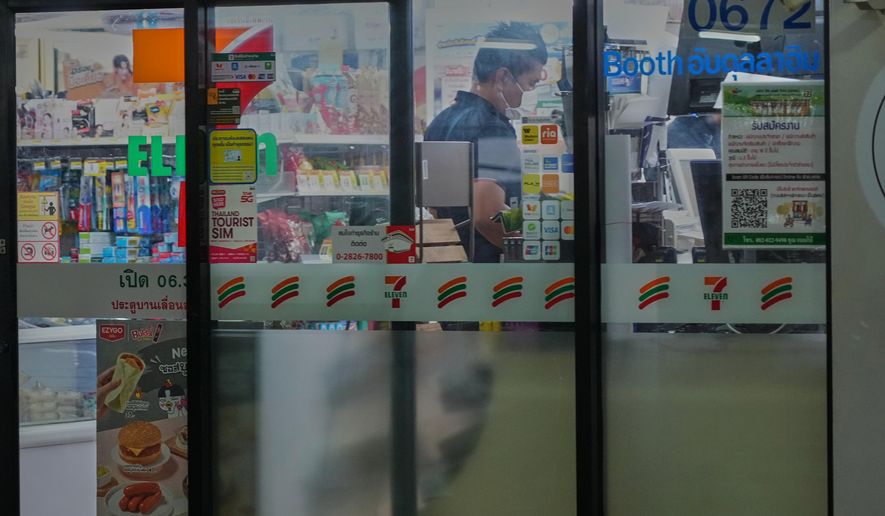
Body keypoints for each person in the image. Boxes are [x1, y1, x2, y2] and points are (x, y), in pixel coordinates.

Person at [424, 22, 547, 263]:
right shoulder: (494, 129)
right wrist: (536, 230)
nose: (529, 92)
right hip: (490, 271)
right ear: (503, 76)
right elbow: (487, 214)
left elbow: (435, 208)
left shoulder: (440, 122)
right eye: (531, 83)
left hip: (451, 264)